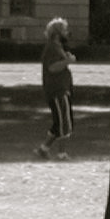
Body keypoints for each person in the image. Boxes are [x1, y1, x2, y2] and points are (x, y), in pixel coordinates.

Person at [36, 16, 76, 160]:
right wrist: (67, 61)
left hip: (62, 88)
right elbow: (52, 68)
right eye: (64, 29)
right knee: (65, 122)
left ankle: (43, 149)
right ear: (58, 32)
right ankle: (62, 154)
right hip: (56, 90)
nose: (67, 32)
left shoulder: (58, 47)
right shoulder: (52, 48)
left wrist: (66, 59)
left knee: (58, 122)